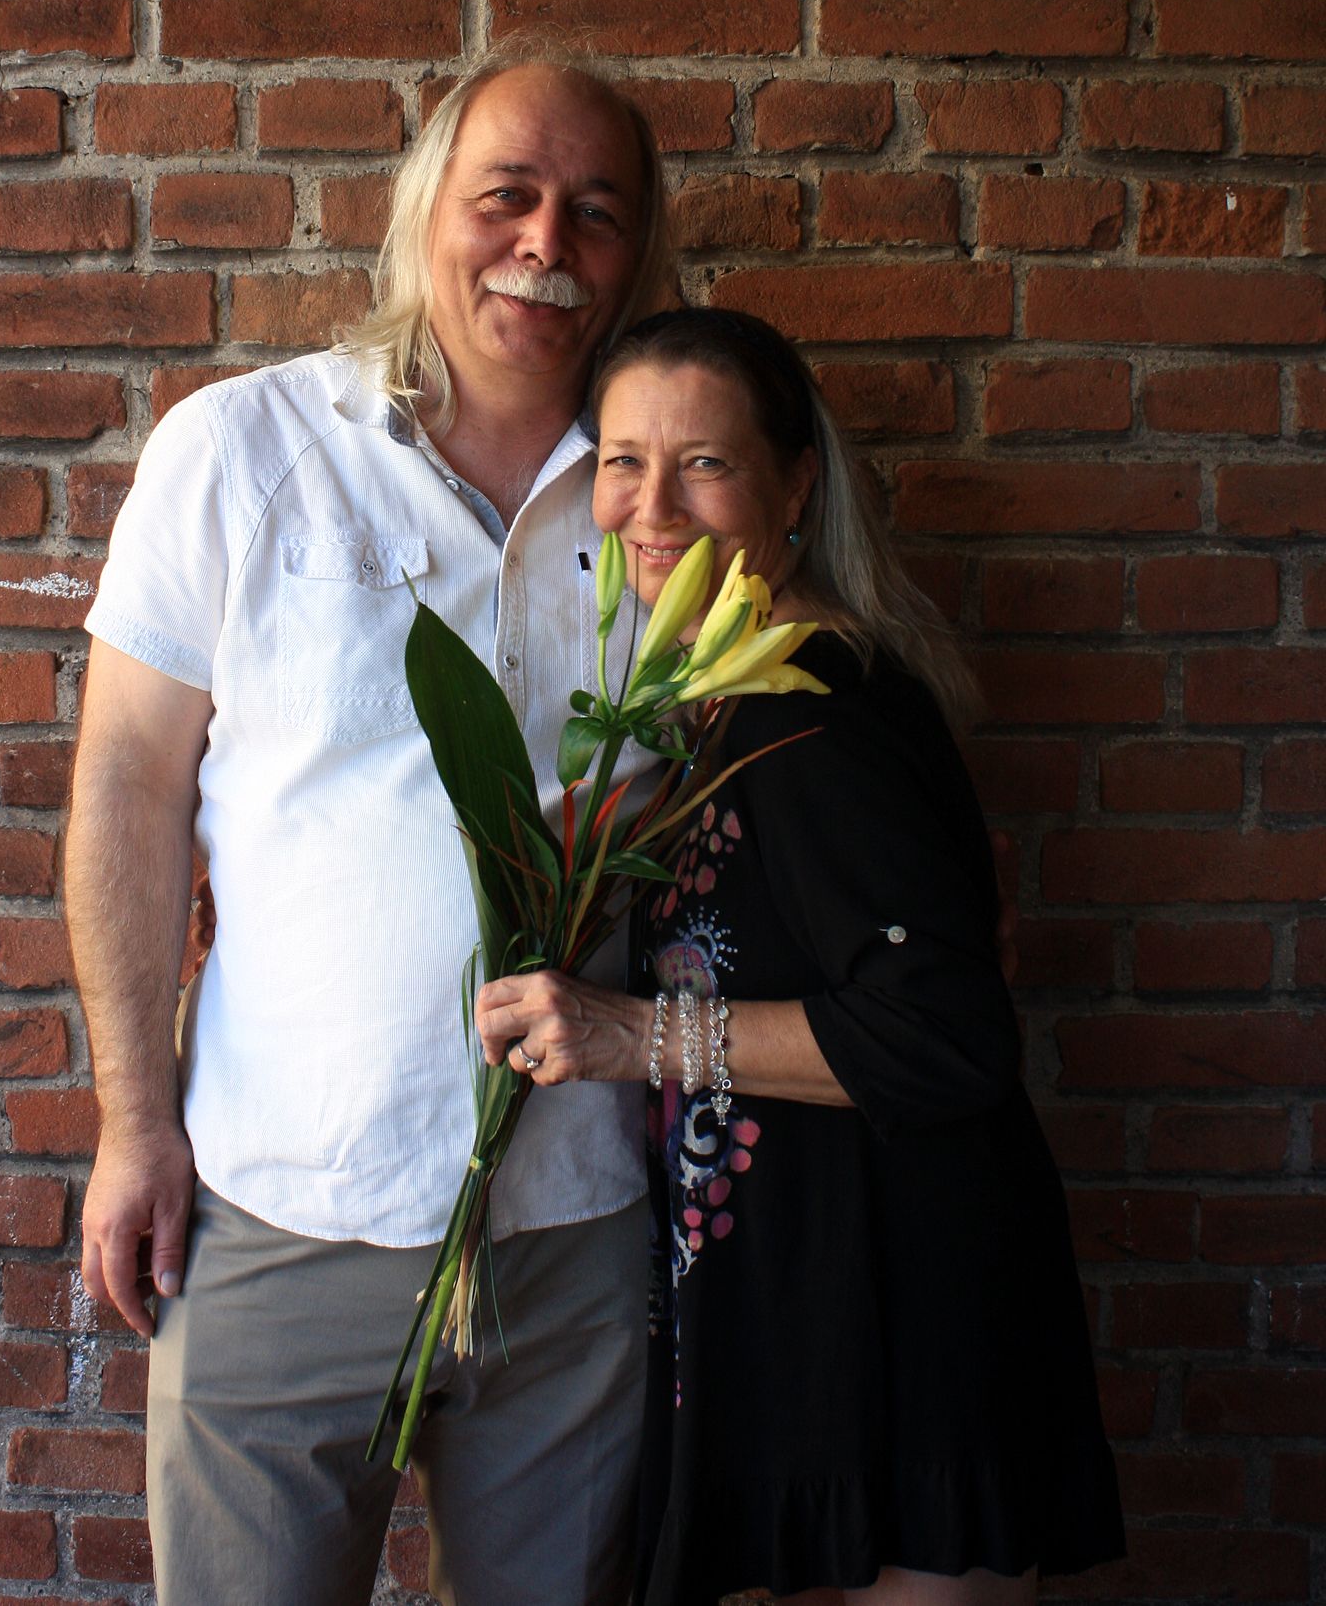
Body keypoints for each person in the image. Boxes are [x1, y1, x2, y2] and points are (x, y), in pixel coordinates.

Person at [64, 46, 675, 1606]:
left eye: (597, 212)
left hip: (574, 1225)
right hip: (279, 1204)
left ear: (639, 255)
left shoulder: (673, 501)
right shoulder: (243, 452)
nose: (547, 244)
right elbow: (128, 788)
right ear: (424, 212)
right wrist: (135, 1122)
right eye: (507, 196)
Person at [475, 308, 1126, 1606]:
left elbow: (945, 1034)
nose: (653, 505)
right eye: (622, 460)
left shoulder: (813, 712)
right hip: (812, 1300)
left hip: (903, 1316)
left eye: (705, 464)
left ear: (795, 487)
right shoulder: (726, 696)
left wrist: (626, 1032)